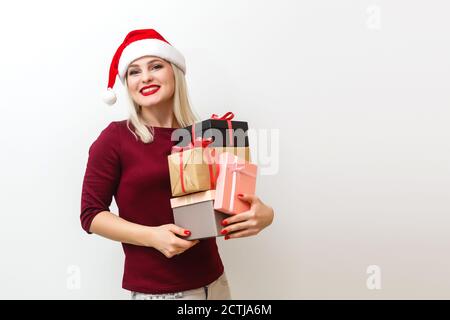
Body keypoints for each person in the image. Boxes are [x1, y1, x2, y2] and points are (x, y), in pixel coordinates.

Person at [80, 28, 275, 300]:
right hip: (158, 292)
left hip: (215, 283)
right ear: (127, 84)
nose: (145, 77)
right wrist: (152, 237)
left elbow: (228, 198)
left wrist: (264, 215)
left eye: (156, 66)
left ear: (175, 72)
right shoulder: (116, 138)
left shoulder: (206, 135)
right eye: (134, 71)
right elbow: (91, 214)